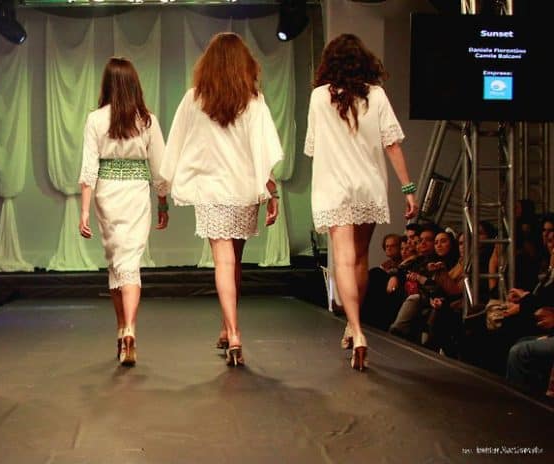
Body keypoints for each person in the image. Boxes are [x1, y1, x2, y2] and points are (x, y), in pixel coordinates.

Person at [160, 32, 283, 367]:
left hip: (211, 190)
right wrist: (271, 192)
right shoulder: (253, 101)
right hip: (243, 189)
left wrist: (163, 192)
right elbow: (265, 151)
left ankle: (233, 330)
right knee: (234, 261)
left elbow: (175, 144)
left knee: (225, 262)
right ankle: (228, 328)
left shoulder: (194, 98)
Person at [304, 33, 418, 371]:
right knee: (360, 258)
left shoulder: (319, 97)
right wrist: (408, 188)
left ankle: (355, 329)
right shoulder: (376, 95)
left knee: (343, 258)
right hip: (368, 186)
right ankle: (353, 327)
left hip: (333, 186)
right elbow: (392, 143)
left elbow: (313, 147)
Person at [78, 57, 169, 367]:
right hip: (135, 194)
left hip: (107, 194)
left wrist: (84, 211)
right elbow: (160, 167)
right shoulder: (147, 120)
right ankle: (128, 329)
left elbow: (89, 169)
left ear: (107, 84)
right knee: (129, 262)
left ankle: (122, 331)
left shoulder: (95, 119)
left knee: (118, 263)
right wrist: (162, 202)